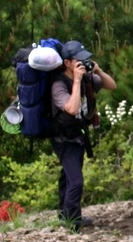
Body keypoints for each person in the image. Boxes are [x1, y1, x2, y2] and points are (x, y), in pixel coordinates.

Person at [50, 40, 117, 232]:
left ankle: (65, 215)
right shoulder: (58, 85)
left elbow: (112, 85)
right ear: (67, 63)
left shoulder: (88, 78)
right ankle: (72, 223)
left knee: (68, 175)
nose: (83, 63)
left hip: (78, 136)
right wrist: (77, 81)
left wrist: (98, 71)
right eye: (78, 60)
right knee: (76, 181)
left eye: (84, 59)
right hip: (63, 139)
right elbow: (71, 109)